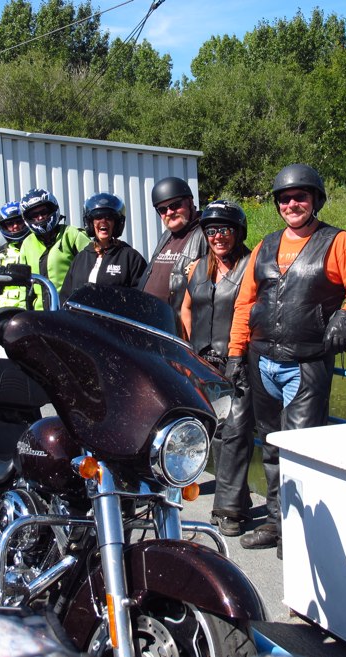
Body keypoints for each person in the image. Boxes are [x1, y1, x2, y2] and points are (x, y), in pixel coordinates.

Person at [227, 163, 346, 558]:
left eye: (300, 197)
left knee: (300, 450)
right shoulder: (266, 244)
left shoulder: (338, 242)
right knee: (271, 446)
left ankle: (300, 531)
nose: (292, 204)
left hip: (306, 362)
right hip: (262, 360)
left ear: (315, 200)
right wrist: (235, 353)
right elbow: (245, 302)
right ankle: (277, 524)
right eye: (285, 199)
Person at [180, 200, 255, 537]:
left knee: (236, 434)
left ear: (237, 232)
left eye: (224, 229)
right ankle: (237, 501)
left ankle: (230, 510)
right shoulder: (198, 267)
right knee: (216, 432)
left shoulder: (251, 265)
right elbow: (187, 308)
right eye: (211, 231)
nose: (217, 236)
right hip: (204, 364)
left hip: (237, 362)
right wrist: (190, 350)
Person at [139, 177, 208, 324]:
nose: (169, 212)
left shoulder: (206, 233)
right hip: (153, 324)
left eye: (175, 205)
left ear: (190, 202)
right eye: (162, 210)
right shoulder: (167, 235)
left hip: (181, 327)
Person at [60, 193, 147, 302]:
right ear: (90, 223)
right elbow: (65, 297)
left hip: (113, 318)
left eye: (109, 217)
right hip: (80, 318)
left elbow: (141, 298)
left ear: (116, 223)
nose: (103, 221)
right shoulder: (81, 258)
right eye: (98, 217)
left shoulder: (131, 258)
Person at [18, 188, 91, 309]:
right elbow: (22, 285)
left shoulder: (72, 235)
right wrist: (22, 311)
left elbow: (95, 267)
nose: (40, 217)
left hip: (71, 311)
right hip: (39, 316)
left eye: (44, 212)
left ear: (53, 209)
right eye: (34, 215)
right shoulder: (27, 244)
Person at [0, 201, 29, 315]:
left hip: (32, 313)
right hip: (5, 314)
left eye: (19, 221)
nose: (15, 226)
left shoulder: (37, 248)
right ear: (4, 226)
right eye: (10, 223)